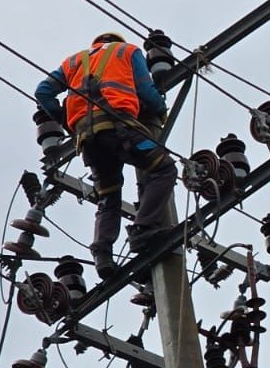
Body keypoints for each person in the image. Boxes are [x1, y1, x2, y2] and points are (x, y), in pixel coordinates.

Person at [34, 32, 176, 280]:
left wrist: (66, 121)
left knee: (109, 194)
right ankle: (143, 230)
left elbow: (43, 92)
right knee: (164, 169)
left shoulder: (73, 61)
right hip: (119, 128)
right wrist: (161, 110)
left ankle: (103, 255)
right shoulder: (127, 51)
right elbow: (146, 90)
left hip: (88, 140)